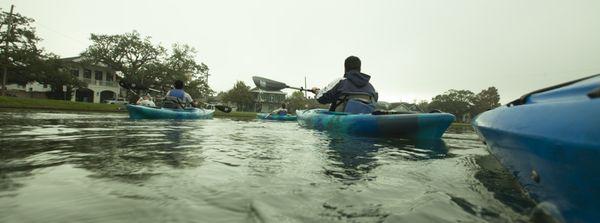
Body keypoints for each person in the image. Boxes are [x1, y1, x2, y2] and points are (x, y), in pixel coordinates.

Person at [311, 56, 378, 113]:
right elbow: (375, 101)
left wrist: (317, 92)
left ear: (345, 68)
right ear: (360, 68)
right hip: (364, 120)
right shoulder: (371, 87)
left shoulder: (340, 82)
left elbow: (322, 99)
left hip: (341, 119)